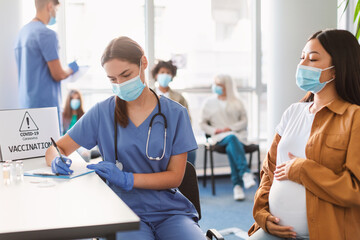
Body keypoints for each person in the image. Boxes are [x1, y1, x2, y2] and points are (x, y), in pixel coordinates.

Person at [45, 36, 205, 240]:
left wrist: (128, 179)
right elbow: (56, 147)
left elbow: (175, 177)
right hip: (123, 212)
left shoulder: (175, 114)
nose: (120, 84)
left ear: (143, 63)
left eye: (126, 75)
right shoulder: (102, 113)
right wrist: (55, 160)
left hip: (170, 213)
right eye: (113, 79)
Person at [248, 29, 360, 240]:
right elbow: (268, 170)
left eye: (313, 59)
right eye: (302, 58)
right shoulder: (293, 112)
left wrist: (303, 170)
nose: (302, 65)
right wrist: (262, 213)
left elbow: (355, 189)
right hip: (274, 231)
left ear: (336, 69)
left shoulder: (355, 118)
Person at [14, 0, 79, 130]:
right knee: (51, 149)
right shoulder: (47, 34)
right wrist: (72, 68)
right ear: (50, 6)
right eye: (56, 9)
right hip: (45, 109)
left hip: (26, 107)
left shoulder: (22, 33)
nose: (55, 13)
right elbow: (58, 74)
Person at [200, 74, 256, 201]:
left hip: (236, 135)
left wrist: (231, 128)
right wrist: (216, 130)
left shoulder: (237, 102)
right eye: (216, 84)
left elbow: (244, 121)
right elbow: (202, 124)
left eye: (220, 85)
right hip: (218, 137)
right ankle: (244, 173)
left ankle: (238, 186)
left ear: (227, 86)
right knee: (231, 140)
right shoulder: (208, 103)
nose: (216, 87)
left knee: (232, 144)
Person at [151, 60, 196, 165]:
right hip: (154, 135)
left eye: (168, 73)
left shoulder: (179, 98)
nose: (165, 75)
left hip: (175, 135)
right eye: (162, 72)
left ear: (172, 76)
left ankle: (186, 180)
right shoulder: (148, 96)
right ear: (156, 75)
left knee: (191, 151)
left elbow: (187, 120)